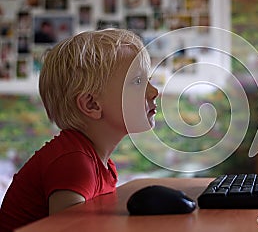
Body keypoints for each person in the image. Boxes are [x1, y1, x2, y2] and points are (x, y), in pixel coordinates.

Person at [0, 28, 159, 231]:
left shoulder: (96, 160)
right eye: (137, 82)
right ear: (91, 105)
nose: (154, 92)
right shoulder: (73, 162)